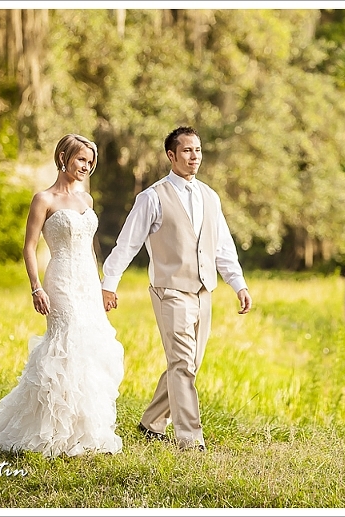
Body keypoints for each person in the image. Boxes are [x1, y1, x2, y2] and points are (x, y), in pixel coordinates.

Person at [102, 126, 252, 452]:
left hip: (204, 292)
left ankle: (151, 422)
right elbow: (127, 244)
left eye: (197, 150)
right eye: (186, 150)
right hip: (169, 290)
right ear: (171, 155)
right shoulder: (152, 197)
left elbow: (222, 247)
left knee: (187, 364)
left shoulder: (210, 196)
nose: (194, 156)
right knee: (183, 364)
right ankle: (190, 439)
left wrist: (237, 284)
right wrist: (109, 285)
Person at [0, 134, 124, 458]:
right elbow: (29, 247)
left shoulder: (86, 200)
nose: (86, 166)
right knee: (65, 344)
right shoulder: (43, 199)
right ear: (63, 157)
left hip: (87, 281)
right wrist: (36, 287)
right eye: (80, 160)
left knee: (89, 348)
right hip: (59, 279)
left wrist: (102, 287)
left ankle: (82, 430)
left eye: (90, 162)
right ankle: (48, 428)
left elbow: (89, 249)